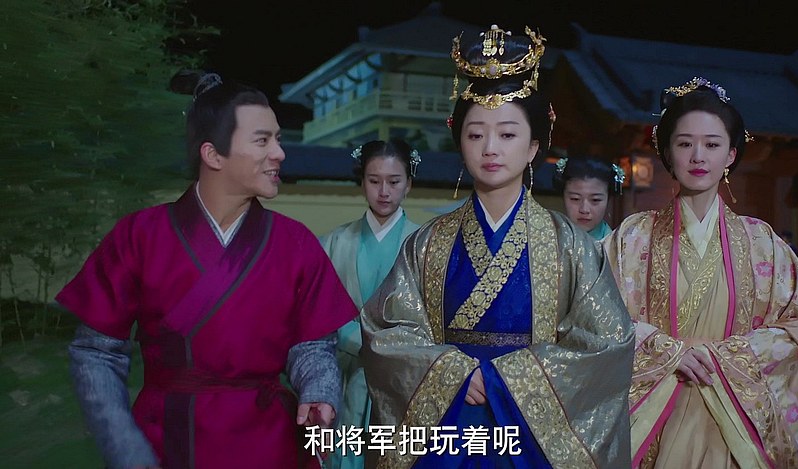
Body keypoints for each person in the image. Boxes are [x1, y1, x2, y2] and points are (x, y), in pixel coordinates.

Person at [359, 25, 634, 468]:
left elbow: (606, 343)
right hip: (448, 426)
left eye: (507, 135)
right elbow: (386, 331)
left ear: (534, 147)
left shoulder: (570, 246)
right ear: (459, 141)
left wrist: (510, 380)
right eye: (475, 135)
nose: (490, 148)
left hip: (531, 434)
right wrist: (450, 372)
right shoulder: (427, 243)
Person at [56, 72, 358, 469]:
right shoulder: (139, 235)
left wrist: (319, 391)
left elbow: (313, 345)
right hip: (166, 438)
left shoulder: (295, 242)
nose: (279, 153)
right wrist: (125, 446)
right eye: (262, 140)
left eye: (278, 139)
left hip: (268, 441)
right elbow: (97, 352)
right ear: (213, 154)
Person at [603, 77, 798, 468]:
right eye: (684, 144)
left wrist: (726, 357)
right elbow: (595, 317)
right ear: (667, 152)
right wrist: (663, 349)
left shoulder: (762, 242)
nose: (698, 156)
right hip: (653, 412)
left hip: (733, 416)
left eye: (712, 145)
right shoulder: (631, 237)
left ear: (730, 154)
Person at [318, 139, 421, 469]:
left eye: (394, 181)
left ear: (409, 183)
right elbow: (317, 313)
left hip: (402, 377)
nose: (384, 192)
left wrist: (387, 345)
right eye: (374, 181)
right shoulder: (334, 243)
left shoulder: (424, 245)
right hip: (347, 373)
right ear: (362, 181)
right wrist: (358, 340)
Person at [552, 155, 624, 240]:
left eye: (595, 200)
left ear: (608, 199)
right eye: (575, 199)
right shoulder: (549, 239)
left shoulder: (616, 246)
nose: (584, 210)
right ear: (563, 196)